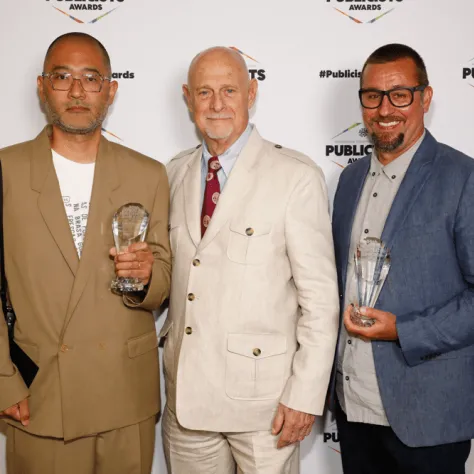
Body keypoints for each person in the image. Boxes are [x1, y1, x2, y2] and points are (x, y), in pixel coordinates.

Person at [161, 46, 339, 474]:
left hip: (266, 409)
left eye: (229, 90)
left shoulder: (295, 176)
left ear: (251, 92)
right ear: (188, 98)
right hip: (187, 405)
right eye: (204, 92)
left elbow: (320, 299)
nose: (217, 104)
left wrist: (304, 395)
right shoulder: (174, 173)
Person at [0, 32, 171, 474]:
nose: (76, 91)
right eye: (62, 76)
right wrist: (4, 381)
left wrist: (150, 275)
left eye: (91, 78)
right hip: (39, 396)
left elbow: (165, 275)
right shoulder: (7, 170)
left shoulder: (148, 173)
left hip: (125, 398)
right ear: (42, 86)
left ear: (110, 90)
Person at [331, 43, 474, 474]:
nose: (384, 108)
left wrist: (403, 330)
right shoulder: (349, 179)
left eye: (400, 94)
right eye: (372, 96)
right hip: (354, 411)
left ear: (425, 98)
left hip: (427, 418)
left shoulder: (462, 178)